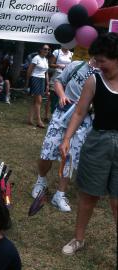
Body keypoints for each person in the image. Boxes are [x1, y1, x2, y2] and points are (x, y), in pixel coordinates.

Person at [59, 33, 118, 255]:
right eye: (96, 60)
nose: (98, 64)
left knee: (116, 202)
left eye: (103, 60)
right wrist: (66, 139)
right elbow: (80, 112)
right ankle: (78, 239)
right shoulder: (94, 80)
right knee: (88, 196)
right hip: (98, 142)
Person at [31, 59, 96, 212]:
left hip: (84, 119)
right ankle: (41, 181)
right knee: (47, 152)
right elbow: (59, 81)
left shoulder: (105, 74)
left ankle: (60, 194)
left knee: (70, 157)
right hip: (62, 113)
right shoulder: (77, 65)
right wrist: (61, 95)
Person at [45, 46, 73, 121]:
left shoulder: (71, 54)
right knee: (52, 96)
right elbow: (50, 64)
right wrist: (59, 66)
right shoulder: (57, 52)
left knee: (63, 97)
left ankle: (57, 115)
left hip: (67, 77)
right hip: (57, 75)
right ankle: (46, 116)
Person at [26, 44, 50, 128]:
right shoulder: (36, 58)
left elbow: (46, 73)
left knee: (35, 100)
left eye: (48, 49)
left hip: (42, 79)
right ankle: (39, 120)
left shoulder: (46, 60)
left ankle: (30, 119)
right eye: (45, 49)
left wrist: (47, 84)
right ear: (40, 49)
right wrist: (28, 82)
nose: (46, 51)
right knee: (39, 100)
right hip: (35, 78)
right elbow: (29, 70)